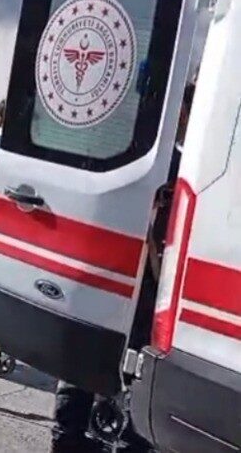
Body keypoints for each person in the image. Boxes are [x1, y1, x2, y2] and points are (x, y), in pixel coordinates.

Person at [51, 85, 196, 453]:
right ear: (181, 114)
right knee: (135, 368)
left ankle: (72, 437)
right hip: (139, 279)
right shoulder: (175, 164)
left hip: (103, 270)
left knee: (87, 360)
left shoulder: (117, 148)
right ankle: (120, 440)